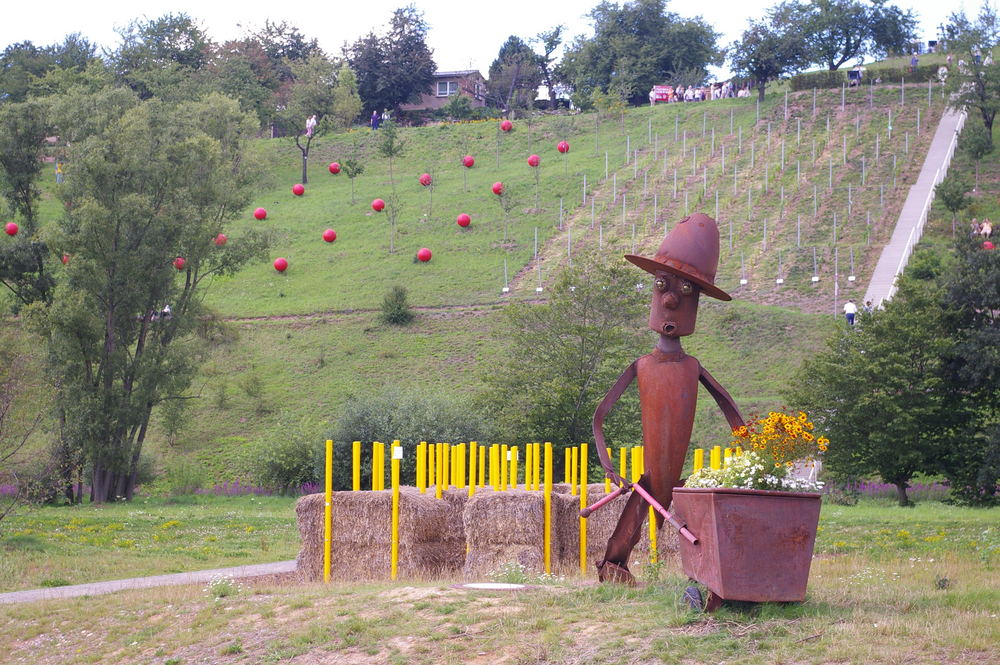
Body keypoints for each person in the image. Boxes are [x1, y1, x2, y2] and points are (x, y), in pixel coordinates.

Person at [592, 214, 744, 585]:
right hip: (649, 473)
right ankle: (614, 565)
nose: (672, 298)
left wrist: (755, 449)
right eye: (663, 285)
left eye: (686, 291)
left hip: (678, 467)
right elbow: (600, 418)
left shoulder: (691, 367)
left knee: (690, 501)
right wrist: (609, 466)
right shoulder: (643, 365)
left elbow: (729, 408)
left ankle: (709, 573)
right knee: (649, 490)